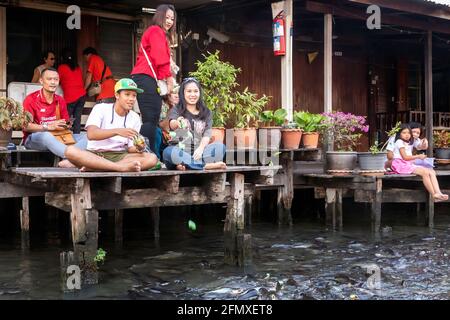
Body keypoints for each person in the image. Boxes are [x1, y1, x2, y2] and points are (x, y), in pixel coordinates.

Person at [64, 78, 158, 172]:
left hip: (119, 155)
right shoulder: (100, 108)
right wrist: (117, 131)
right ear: (117, 95)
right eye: (127, 94)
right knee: (70, 151)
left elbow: (130, 148)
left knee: (152, 158)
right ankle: (119, 168)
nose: (131, 99)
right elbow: (91, 135)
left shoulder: (135, 117)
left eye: (134, 96)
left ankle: (96, 167)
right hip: (95, 154)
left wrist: (139, 148)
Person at [131, 4, 176, 153]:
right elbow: (160, 58)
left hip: (145, 77)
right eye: (167, 17)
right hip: (145, 76)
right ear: (159, 16)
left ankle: (146, 154)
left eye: (172, 19)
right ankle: (144, 154)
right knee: (150, 119)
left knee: (151, 119)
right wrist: (169, 78)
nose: (169, 21)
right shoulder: (156, 31)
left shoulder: (157, 33)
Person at [23, 67, 87, 166]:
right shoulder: (31, 99)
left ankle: (69, 161)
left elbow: (66, 122)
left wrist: (66, 125)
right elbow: (25, 126)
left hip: (58, 136)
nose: (53, 82)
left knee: (87, 137)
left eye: (56, 79)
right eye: (49, 79)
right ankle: (75, 158)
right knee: (46, 135)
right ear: (41, 81)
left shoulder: (60, 100)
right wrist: (49, 127)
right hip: (34, 138)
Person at [162, 78, 226, 171]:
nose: (193, 94)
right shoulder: (176, 110)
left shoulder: (206, 112)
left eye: (196, 91)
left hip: (198, 152)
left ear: (200, 93)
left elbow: (207, 135)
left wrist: (200, 149)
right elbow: (172, 124)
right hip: (179, 151)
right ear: (183, 93)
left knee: (220, 147)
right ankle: (204, 166)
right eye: (189, 91)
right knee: (168, 152)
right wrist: (178, 122)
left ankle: (185, 165)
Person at [391, 124, 448, 202]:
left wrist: (424, 143)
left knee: (431, 171)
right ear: (399, 134)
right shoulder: (399, 142)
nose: (407, 135)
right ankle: (433, 195)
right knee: (425, 172)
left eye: (408, 133)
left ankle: (438, 192)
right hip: (400, 164)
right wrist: (418, 156)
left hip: (407, 163)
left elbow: (421, 147)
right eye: (404, 133)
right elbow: (405, 157)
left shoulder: (409, 142)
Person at [57, 48, 86, 134]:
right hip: (82, 95)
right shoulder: (77, 67)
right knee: (77, 119)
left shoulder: (61, 67)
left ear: (62, 58)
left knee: (67, 118)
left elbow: (57, 81)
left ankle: (65, 137)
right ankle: (76, 137)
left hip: (70, 96)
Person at [155, 85, 179, 158]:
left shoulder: (182, 107)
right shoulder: (163, 105)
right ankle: (157, 157)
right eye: (173, 93)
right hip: (162, 134)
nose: (177, 96)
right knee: (156, 131)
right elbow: (161, 125)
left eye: (179, 94)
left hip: (173, 136)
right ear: (168, 94)